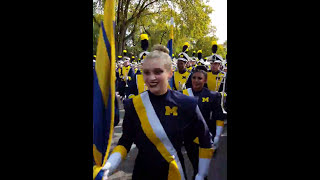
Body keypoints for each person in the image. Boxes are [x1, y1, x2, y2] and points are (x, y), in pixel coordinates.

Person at [101, 45, 214, 180]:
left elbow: (205, 139)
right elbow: (125, 142)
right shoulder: (133, 105)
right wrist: (109, 165)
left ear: (170, 73)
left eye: (158, 72)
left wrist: (201, 174)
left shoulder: (186, 103)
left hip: (174, 173)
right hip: (142, 174)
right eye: (147, 72)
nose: (151, 78)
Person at [181, 66, 225, 180]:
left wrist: (217, 137)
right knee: (196, 166)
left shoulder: (213, 95)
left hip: (206, 137)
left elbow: (218, 117)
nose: (196, 80)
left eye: (199, 78)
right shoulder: (183, 94)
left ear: (205, 80)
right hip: (189, 139)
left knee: (202, 171)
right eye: (194, 78)